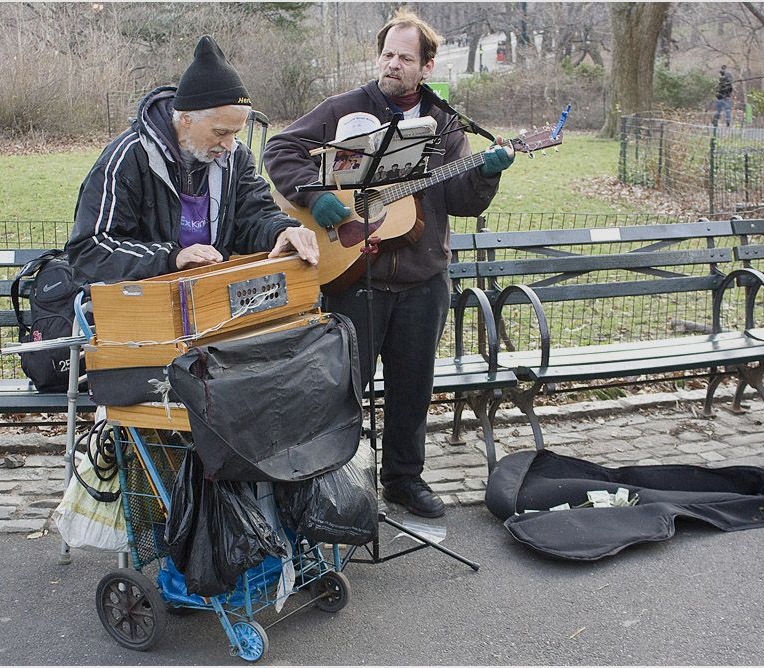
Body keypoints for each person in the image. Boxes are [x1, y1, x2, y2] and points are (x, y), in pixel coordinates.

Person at [264, 10, 515, 518]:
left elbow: (464, 199)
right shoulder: (346, 109)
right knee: (343, 390)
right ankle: (333, 486)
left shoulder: (445, 123)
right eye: (387, 54)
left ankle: (403, 480)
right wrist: (315, 198)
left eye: (405, 57)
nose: (392, 64)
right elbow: (280, 148)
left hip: (424, 278)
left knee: (412, 388)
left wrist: (487, 174)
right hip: (354, 276)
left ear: (426, 66)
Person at [66, 35, 317, 285]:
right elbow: (90, 249)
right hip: (145, 303)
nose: (229, 145)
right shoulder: (128, 157)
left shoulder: (236, 157)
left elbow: (256, 215)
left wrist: (283, 230)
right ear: (186, 119)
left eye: (235, 133)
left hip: (213, 295)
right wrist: (172, 258)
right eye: (221, 132)